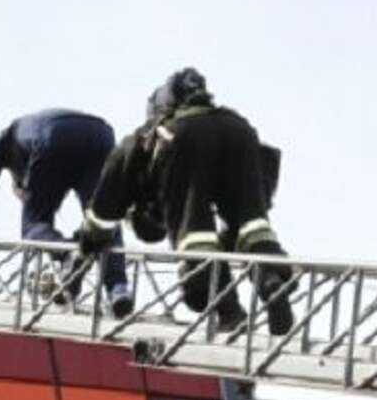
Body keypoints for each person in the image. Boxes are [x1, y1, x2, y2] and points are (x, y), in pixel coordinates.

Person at [78, 68, 294, 333]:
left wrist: (90, 238)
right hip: (242, 135)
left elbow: (107, 198)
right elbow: (256, 194)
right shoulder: (230, 121)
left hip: (186, 141)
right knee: (252, 225)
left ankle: (229, 311)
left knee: (195, 233)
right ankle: (270, 281)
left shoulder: (155, 134)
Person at [0, 109, 134, 318]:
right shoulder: (26, 132)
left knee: (32, 225)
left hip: (55, 136)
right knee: (103, 219)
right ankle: (118, 289)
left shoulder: (5, 140)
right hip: (101, 135)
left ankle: (69, 253)